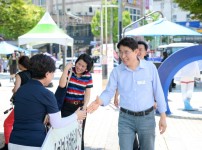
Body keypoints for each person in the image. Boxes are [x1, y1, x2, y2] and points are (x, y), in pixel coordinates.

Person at [87, 37, 167, 150]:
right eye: (120, 52)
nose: (123, 56)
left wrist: (163, 116)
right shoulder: (117, 72)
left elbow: (158, 91)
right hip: (126, 119)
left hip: (147, 118)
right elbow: (109, 91)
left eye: (126, 52)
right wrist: (100, 100)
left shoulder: (150, 68)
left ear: (136, 52)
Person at [8, 54, 87, 150]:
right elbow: (57, 124)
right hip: (35, 144)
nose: (53, 76)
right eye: (52, 73)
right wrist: (76, 115)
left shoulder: (20, 90)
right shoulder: (47, 94)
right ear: (47, 74)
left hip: (14, 142)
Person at [56, 53, 94, 150]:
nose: (80, 67)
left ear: (87, 68)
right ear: (76, 62)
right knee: (65, 135)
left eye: (83, 66)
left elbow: (87, 94)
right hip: (66, 107)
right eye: (79, 64)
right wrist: (65, 69)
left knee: (79, 135)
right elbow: (61, 85)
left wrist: (85, 106)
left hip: (79, 108)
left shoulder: (88, 76)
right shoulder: (70, 71)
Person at [1, 56, 31, 150]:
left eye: (19, 63)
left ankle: (8, 146)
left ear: (21, 65)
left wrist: (13, 89)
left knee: (7, 123)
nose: (18, 65)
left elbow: (16, 90)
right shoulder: (34, 74)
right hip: (34, 104)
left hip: (22, 104)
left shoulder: (19, 75)